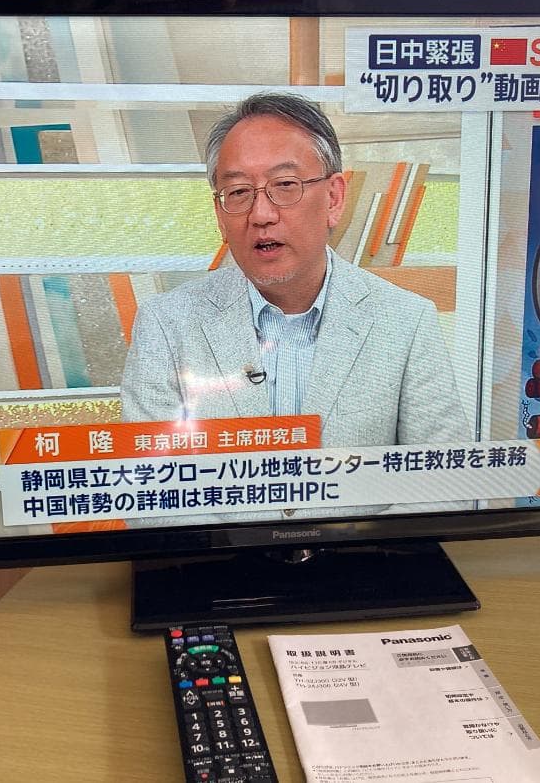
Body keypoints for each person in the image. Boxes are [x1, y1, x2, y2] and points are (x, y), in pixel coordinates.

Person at [119, 93, 469, 520]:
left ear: (334, 198)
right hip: (219, 560)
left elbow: (443, 481)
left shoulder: (406, 320)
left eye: (285, 185)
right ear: (220, 214)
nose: (261, 214)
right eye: (239, 192)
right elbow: (151, 489)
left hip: (364, 559)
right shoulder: (166, 324)